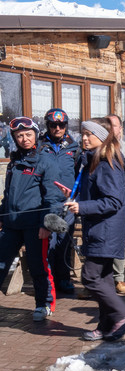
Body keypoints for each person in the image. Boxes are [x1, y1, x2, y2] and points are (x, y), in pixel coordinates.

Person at [62, 118, 125, 341]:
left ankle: (122, 315)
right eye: (83, 134)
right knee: (103, 279)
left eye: (89, 134)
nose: (84, 138)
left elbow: (114, 201)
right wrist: (75, 196)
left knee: (90, 277)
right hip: (97, 228)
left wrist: (81, 207)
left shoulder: (107, 162)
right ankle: (106, 326)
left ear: (102, 137)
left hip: (105, 231)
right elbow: (97, 194)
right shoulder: (92, 160)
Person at [0, 117, 63, 321]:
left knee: (38, 266)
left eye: (28, 134)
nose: (24, 139)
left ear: (35, 135)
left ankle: (43, 303)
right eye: (19, 135)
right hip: (12, 224)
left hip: (35, 225)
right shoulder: (14, 161)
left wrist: (47, 223)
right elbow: (8, 193)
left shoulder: (45, 161)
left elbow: (53, 197)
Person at [38, 108, 81, 295]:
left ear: (66, 126)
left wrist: (77, 199)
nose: (57, 128)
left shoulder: (74, 147)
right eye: (53, 125)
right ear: (47, 125)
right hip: (47, 203)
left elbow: (81, 173)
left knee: (65, 243)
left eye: (61, 125)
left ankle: (63, 279)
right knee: (50, 244)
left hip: (67, 203)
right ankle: (50, 281)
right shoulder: (39, 147)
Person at [106, 114, 125, 295]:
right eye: (108, 126)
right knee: (98, 239)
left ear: (121, 129)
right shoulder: (96, 148)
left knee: (119, 240)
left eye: (115, 126)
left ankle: (119, 278)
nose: (112, 130)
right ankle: (95, 280)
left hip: (121, 203)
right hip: (100, 202)